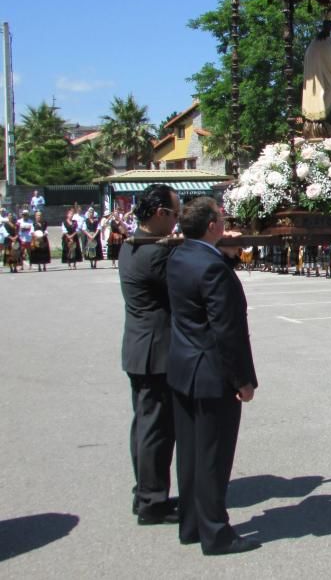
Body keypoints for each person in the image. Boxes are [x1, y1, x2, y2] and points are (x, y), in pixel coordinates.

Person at [166, 197, 259, 554]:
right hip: (211, 374)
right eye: (221, 218)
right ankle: (216, 532)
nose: (225, 222)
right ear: (212, 226)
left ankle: (191, 524)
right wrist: (243, 380)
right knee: (213, 458)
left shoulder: (181, 256)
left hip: (184, 370)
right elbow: (228, 330)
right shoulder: (214, 268)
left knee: (190, 456)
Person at [119, 184, 181, 526]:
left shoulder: (132, 245)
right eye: (175, 215)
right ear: (160, 214)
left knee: (144, 427)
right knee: (156, 430)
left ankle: (144, 491)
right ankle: (152, 501)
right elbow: (184, 286)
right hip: (156, 351)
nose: (176, 222)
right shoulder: (155, 254)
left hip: (140, 348)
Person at [301, 9, 331, 136]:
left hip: (312, 85)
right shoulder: (327, 43)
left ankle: (317, 126)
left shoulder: (314, 42)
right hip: (323, 83)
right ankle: (323, 128)